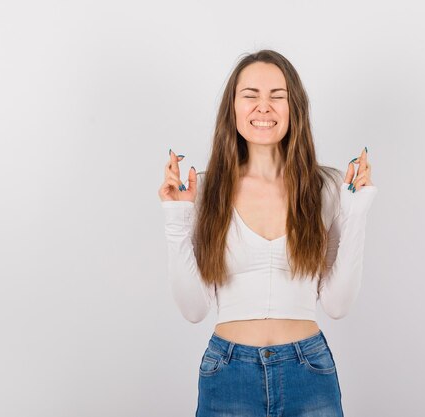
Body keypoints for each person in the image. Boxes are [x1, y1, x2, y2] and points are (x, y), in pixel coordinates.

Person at [158, 49, 377, 417]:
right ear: (233, 107)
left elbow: (337, 305)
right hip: (227, 373)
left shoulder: (324, 187)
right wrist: (176, 216)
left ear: (295, 108)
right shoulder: (206, 190)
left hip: (309, 370)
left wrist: (356, 212)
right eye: (251, 96)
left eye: (277, 96)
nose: (264, 107)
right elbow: (194, 309)